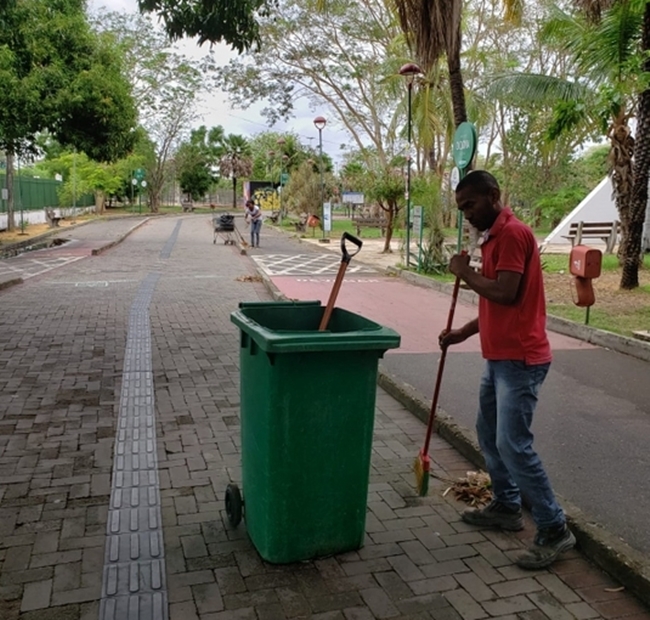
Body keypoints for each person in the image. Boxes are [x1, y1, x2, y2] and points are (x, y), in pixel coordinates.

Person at [439, 170, 575, 570]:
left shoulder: (514, 234)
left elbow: (507, 291)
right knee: (489, 435)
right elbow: (496, 300)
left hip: (521, 359)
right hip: (499, 357)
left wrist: (465, 274)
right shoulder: (492, 238)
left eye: (471, 205)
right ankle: (506, 505)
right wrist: (464, 332)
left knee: (514, 444)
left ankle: (554, 527)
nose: (466, 214)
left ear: (493, 196)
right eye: (461, 207)